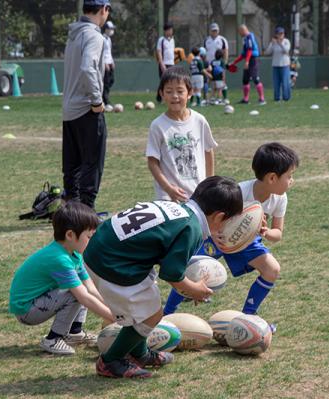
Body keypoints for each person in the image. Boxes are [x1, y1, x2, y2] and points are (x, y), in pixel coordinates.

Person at [83, 176, 243, 378]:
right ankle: (110, 361)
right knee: (152, 315)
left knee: (147, 307)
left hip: (101, 251)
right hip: (113, 264)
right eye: (228, 222)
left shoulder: (175, 208)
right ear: (219, 217)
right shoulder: (191, 228)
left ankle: (140, 354)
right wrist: (195, 289)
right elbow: (172, 274)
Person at [164, 143, 299, 326]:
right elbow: (213, 216)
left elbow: (278, 233)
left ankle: (248, 318)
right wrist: (215, 234)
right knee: (192, 271)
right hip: (216, 237)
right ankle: (166, 314)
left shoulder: (280, 199)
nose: (292, 181)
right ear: (272, 178)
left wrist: (266, 232)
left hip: (247, 241)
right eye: (289, 177)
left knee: (272, 269)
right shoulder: (239, 192)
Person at [9, 201, 114, 355]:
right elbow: (84, 297)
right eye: (89, 237)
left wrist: (115, 311)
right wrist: (115, 318)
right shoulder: (59, 259)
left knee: (80, 289)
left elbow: (91, 288)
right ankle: (53, 339)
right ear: (70, 235)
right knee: (76, 293)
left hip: (37, 301)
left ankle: (74, 333)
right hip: (26, 310)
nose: (92, 241)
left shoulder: (74, 254)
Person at [62, 0, 110, 210]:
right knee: (93, 160)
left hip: (69, 109)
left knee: (72, 162)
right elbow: (87, 67)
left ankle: (71, 207)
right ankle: (86, 209)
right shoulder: (94, 35)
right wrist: (97, 101)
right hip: (86, 108)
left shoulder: (74, 35)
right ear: (103, 10)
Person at [146, 67, 217, 202]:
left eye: (180, 91)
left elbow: (208, 151)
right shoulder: (158, 125)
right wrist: (168, 189)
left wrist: (209, 184)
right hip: (169, 198)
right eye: (169, 91)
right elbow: (152, 162)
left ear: (189, 93)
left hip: (198, 195)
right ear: (162, 93)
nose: (175, 96)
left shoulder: (199, 121)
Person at [228, 24, 266, 105]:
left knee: (255, 78)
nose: (239, 33)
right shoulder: (245, 39)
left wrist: (247, 62)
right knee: (245, 80)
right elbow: (243, 54)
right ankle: (246, 99)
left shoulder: (249, 37)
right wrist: (234, 62)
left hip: (253, 60)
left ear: (243, 30)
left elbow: (249, 50)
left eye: (240, 31)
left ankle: (262, 99)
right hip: (248, 59)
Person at [204, 22, 229, 103]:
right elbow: (204, 52)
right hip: (210, 65)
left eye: (216, 30)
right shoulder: (206, 40)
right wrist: (206, 64)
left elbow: (225, 51)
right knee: (209, 81)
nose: (214, 32)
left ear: (218, 31)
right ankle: (209, 98)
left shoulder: (222, 39)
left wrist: (225, 62)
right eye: (213, 30)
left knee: (222, 81)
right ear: (210, 31)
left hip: (219, 65)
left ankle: (224, 98)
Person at [265, 26, 291, 103]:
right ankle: (277, 98)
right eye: (279, 34)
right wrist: (272, 44)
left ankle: (286, 97)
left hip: (284, 65)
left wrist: (280, 43)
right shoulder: (273, 43)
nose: (280, 35)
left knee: (285, 82)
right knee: (276, 83)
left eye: (282, 33)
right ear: (276, 34)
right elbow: (267, 52)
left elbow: (286, 50)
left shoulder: (286, 41)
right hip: (275, 65)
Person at [155, 23, 175, 103]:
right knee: (163, 81)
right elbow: (159, 52)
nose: (171, 31)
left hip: (171, 63)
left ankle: (166, 98)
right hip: (164, 63)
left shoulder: (173, 40)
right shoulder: (161, 40)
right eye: (169, 30)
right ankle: (160, 98)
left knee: (170, 81)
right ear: (165, 31)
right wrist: (161, 63)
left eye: (171, 30)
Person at [102, 20, 115, 107]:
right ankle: (105, 101)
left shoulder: (109, 39)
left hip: (110, 62)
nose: (111, 30)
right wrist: (104, 63)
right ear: (106, 29)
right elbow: (101, 52)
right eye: (110, 29)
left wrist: (112, 61)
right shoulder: (101, 38)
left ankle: (105, 96)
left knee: (111, 80)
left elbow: (108, 51)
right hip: (105, 63)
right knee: (106, 82)